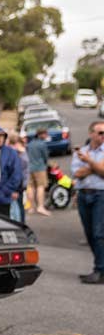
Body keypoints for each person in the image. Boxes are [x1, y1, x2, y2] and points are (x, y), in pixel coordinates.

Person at [72, 120, 104, 284]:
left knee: (99, 233)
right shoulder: (81, 151)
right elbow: (76, 173)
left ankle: (100, 269)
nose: (102, 136)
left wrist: (89, 162)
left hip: (101, 195)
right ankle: (99, 268)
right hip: (84, 194)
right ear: (91, 133)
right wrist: (96, 167)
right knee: (90, 234)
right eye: (99, 133)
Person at [0, 127, 22, 219]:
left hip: (4, 197)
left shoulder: (11, 153)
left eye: (2, 136)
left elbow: (16, 174)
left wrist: (6, 190)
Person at [26, 128, 51, 216]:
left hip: (30, 168)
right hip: (40, 168)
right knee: (41, 186)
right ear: (41, 134)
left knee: (31, 187)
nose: (47, 136)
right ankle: (40, 206)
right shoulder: (42, 144)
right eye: (45, 134)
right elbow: (45, 156)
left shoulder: (30, 144)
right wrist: (46, 164)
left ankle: (31, 207)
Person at [9, 134, 29, 223]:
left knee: (18, 207)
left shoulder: (20, 154)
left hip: (19, 185)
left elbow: (18, 171)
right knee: (20, 206)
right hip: (22, 183)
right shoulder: (22, 153)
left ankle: (21, 224)